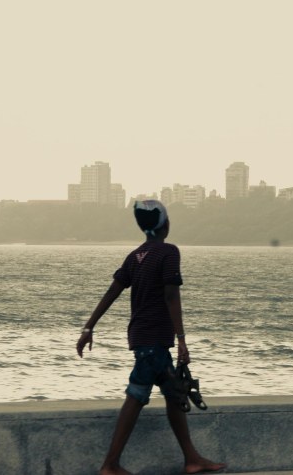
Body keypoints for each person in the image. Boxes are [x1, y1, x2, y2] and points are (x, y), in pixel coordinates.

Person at [76, 200, 225, 475]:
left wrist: (88, 328)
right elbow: (171, 295)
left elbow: (112, 292)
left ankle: (192, 459)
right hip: (154, 340)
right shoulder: (168, 252)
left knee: (174, 393)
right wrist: (182, 339)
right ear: (165, 224)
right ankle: (110, 465)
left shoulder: (136, 256)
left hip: (143, 337)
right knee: (136, 395)